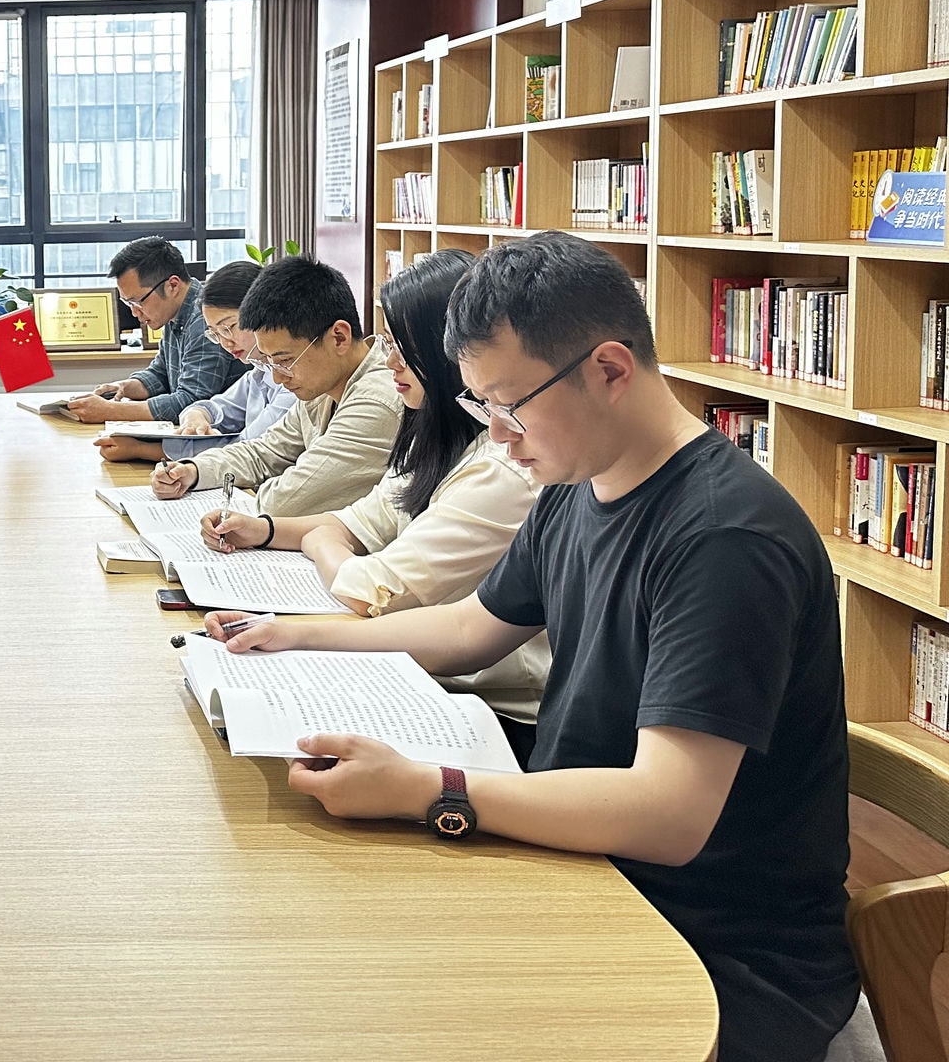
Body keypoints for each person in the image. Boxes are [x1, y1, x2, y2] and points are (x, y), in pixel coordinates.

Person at [203, 233, 856, 1062]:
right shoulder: (576, 484)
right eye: (481, 407)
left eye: (509, 406)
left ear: (609, 369)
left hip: (712, 946)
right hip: (588, 865)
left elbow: (669, 814)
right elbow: (469, 629)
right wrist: (297, 635)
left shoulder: (725, 539)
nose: (499, 437)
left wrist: (427, 789)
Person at [199, 250, 547, 747]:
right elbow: (367, 516)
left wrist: (319, 541)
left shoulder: (500, 467)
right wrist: (267, 531)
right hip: (433, 672)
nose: (390, 362)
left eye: (404, 347)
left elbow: (371, 589)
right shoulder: (436, 434)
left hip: (492, 705)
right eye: (388, 343)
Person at [151, 254, 398, 517]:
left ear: (338, 337)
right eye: (271, 363)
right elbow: (264, 452)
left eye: (285, 361)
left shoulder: (376, 401)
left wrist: (251, 492)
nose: (278, 378)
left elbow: (286, 500)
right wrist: (193, 470)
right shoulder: (323, 386)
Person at [92, 260, 290, 464]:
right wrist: (196, 414)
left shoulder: (293, 380)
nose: (225, 343)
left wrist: (141, 448)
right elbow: (209, 405)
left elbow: (246, 449)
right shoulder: (259, 371)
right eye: (215, 334)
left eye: (229, 328)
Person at [61, 236, 247, 423]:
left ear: (172, 285)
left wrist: (110, 410)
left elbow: (192, 401)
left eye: (138, 302)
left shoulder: (203, 320)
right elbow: (160, 374)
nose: (134, 312)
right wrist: (123, 387)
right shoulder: (175, 313)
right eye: (128, 303)